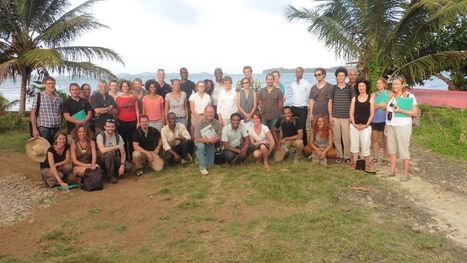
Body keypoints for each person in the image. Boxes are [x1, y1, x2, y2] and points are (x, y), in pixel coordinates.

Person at [385, 76, 419, 182]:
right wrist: (386, 125)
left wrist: (400, 110)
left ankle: (405, 173)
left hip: (403, 126)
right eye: (393, 84)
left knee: (403, 149)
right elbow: (388, 112)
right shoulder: (392, 96)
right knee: (392, 149)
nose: (395, 86)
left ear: (402, 84)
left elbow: (415, 113)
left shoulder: (409, 96)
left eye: (397, 84)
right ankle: (392, 170)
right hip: (391, 125)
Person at [328, 67, 355, 164]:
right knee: (336, 138)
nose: (340, 77)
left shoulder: (350, 88)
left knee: (346, 138)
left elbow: (353, 102)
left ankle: (347, 156)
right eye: (339, 75)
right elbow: (330, 102)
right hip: (335, 117)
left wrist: (351, 116)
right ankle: (339, 155)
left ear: (345, 77)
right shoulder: (333, 88)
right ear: (336, 77)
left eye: (342, 75)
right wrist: (330, 116)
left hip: (346, 118)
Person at [349, 79, 375, 172]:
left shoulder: (370, 98)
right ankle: (355, 162)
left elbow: (372, 114)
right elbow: (351, 113)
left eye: (363, 86)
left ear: (366, 87)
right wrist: (355, 124)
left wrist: (366, 125)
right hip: (354, 126)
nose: (361, 87)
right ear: (357, 87)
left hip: (366, 127)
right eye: (359, 86)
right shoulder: (354, 99)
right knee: (354, 145)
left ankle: (367, 164)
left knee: (366, 144)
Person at [96, 119, 132, 183]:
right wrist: (116, 146)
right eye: (108, 127)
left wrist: (122, 165)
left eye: (112, 127)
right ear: (105, 127)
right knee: (110, 154)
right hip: (102, 159)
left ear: (115, 127)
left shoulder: (118, 136)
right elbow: (102, 150)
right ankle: (111, 176)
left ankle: (115, 172)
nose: (110, 128)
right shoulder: (100, 136)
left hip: (115, 158)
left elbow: (123, 152)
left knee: (128, 166)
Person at [31, 76, 63, 144]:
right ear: (44, 85)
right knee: (45, 149)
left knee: (55, 148)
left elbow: (60, 112)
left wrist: (60, 126)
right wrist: (34, 129)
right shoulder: (39, 96)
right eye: (49, 83)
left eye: (53, 83)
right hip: (43, 128)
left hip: (56, 128)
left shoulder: (59, 98)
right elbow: (33, 113)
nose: (51, 85)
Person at [285, 67, 312, 145]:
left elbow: (310, 97)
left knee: (302, 127)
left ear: (302, 73)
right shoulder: (292, 84)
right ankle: (296, 144)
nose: (298, 73)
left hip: (303, 108)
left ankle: (305, 145)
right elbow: (293, 96)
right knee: (294, 126)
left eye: (299, 72)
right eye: (296, 72)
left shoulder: (307, 84)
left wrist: (310, 109)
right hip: (293, 107)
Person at [194, 105, 221, 175]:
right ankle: (202, 168)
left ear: (214, 113)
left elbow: (220, 135)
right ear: (204, 113)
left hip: (211, 142)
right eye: (208, 112)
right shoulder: (199, 123)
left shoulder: (217, 122)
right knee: (201, 147)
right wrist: (208, 140)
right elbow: (196, 139)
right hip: (200, 142)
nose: (210, 114)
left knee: (210, 165)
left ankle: (198, 156)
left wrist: (214, 139)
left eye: (211, 112)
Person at [116, 80, 139, 160]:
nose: (125, 88)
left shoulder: (133, 97)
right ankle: (125, 159)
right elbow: (117, 111)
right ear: (121, 88)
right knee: (124, 141)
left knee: (132, 141)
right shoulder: (118, 98)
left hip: (132, 121)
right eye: (123, 86)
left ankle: (133, 159)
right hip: (121, 122)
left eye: (127, 86)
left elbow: (137, 109)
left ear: (129, 87)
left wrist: (138, 121)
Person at [372, 77, 390, 164]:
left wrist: (378, 105)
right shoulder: (373, 95)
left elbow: (388, 106)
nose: (379, 85)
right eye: (377, 83)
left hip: (385, 120)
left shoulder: (389, 93)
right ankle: (375, 157)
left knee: (385, 139)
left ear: (384, 84)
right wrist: (381, 105)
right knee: (375, 139)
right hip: (375, 119)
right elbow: (372, 107)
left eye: (380, 83)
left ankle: (385, 158)